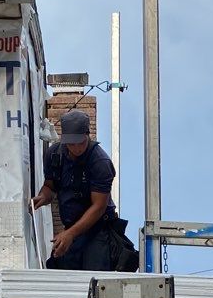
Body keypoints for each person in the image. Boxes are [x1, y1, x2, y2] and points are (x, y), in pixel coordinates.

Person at [31, 108, 136, 270]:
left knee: (93, 278)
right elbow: (49, 187)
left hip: (98, 230)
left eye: (81, 142)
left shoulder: (100, 162)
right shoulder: (54, 155)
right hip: (72, 229)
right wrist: (42, 198)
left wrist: (70, 234)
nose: (76, 148)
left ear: (88, 135)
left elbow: (98, 207)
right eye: (71, 143)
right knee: (59, 271)